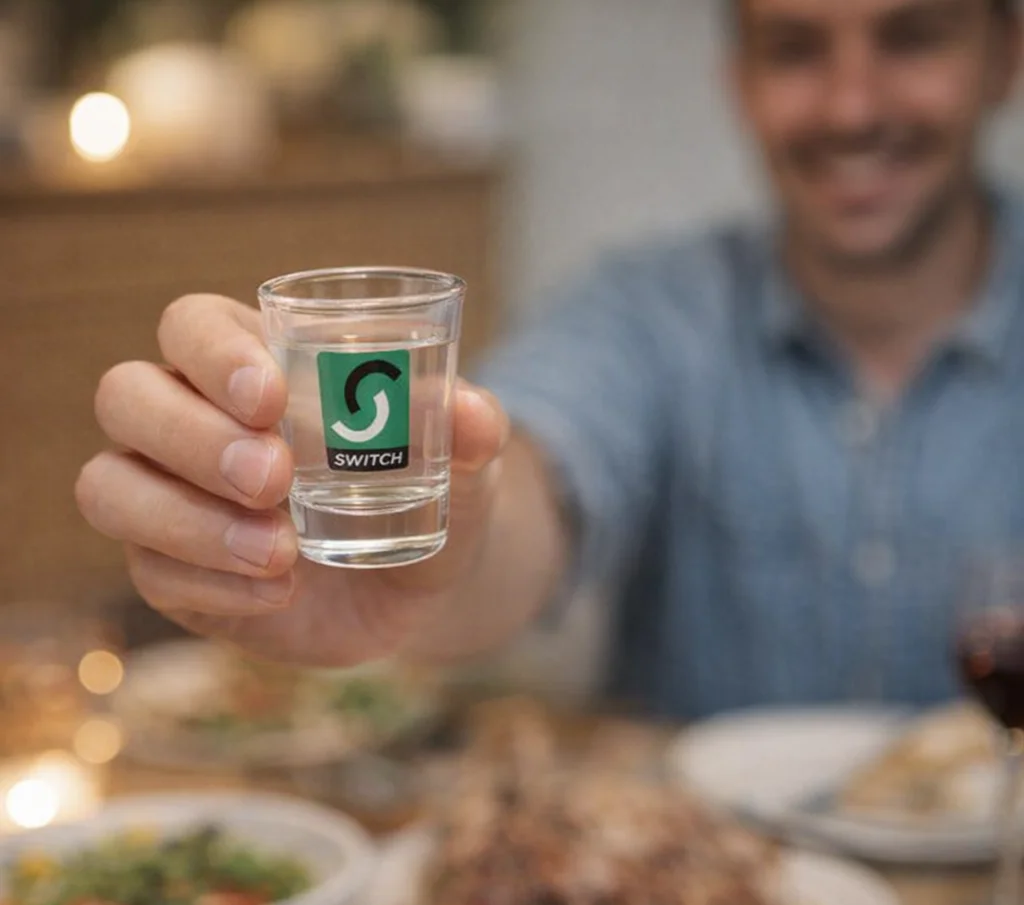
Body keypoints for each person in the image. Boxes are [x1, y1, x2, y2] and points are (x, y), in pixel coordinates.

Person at [76, 0, 1024, 719]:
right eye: (795, 50)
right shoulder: (652, 311)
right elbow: (525, 475)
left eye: (911, 37)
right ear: (739, 82)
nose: (852, 107)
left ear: (1004, 56)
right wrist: (417, 560)